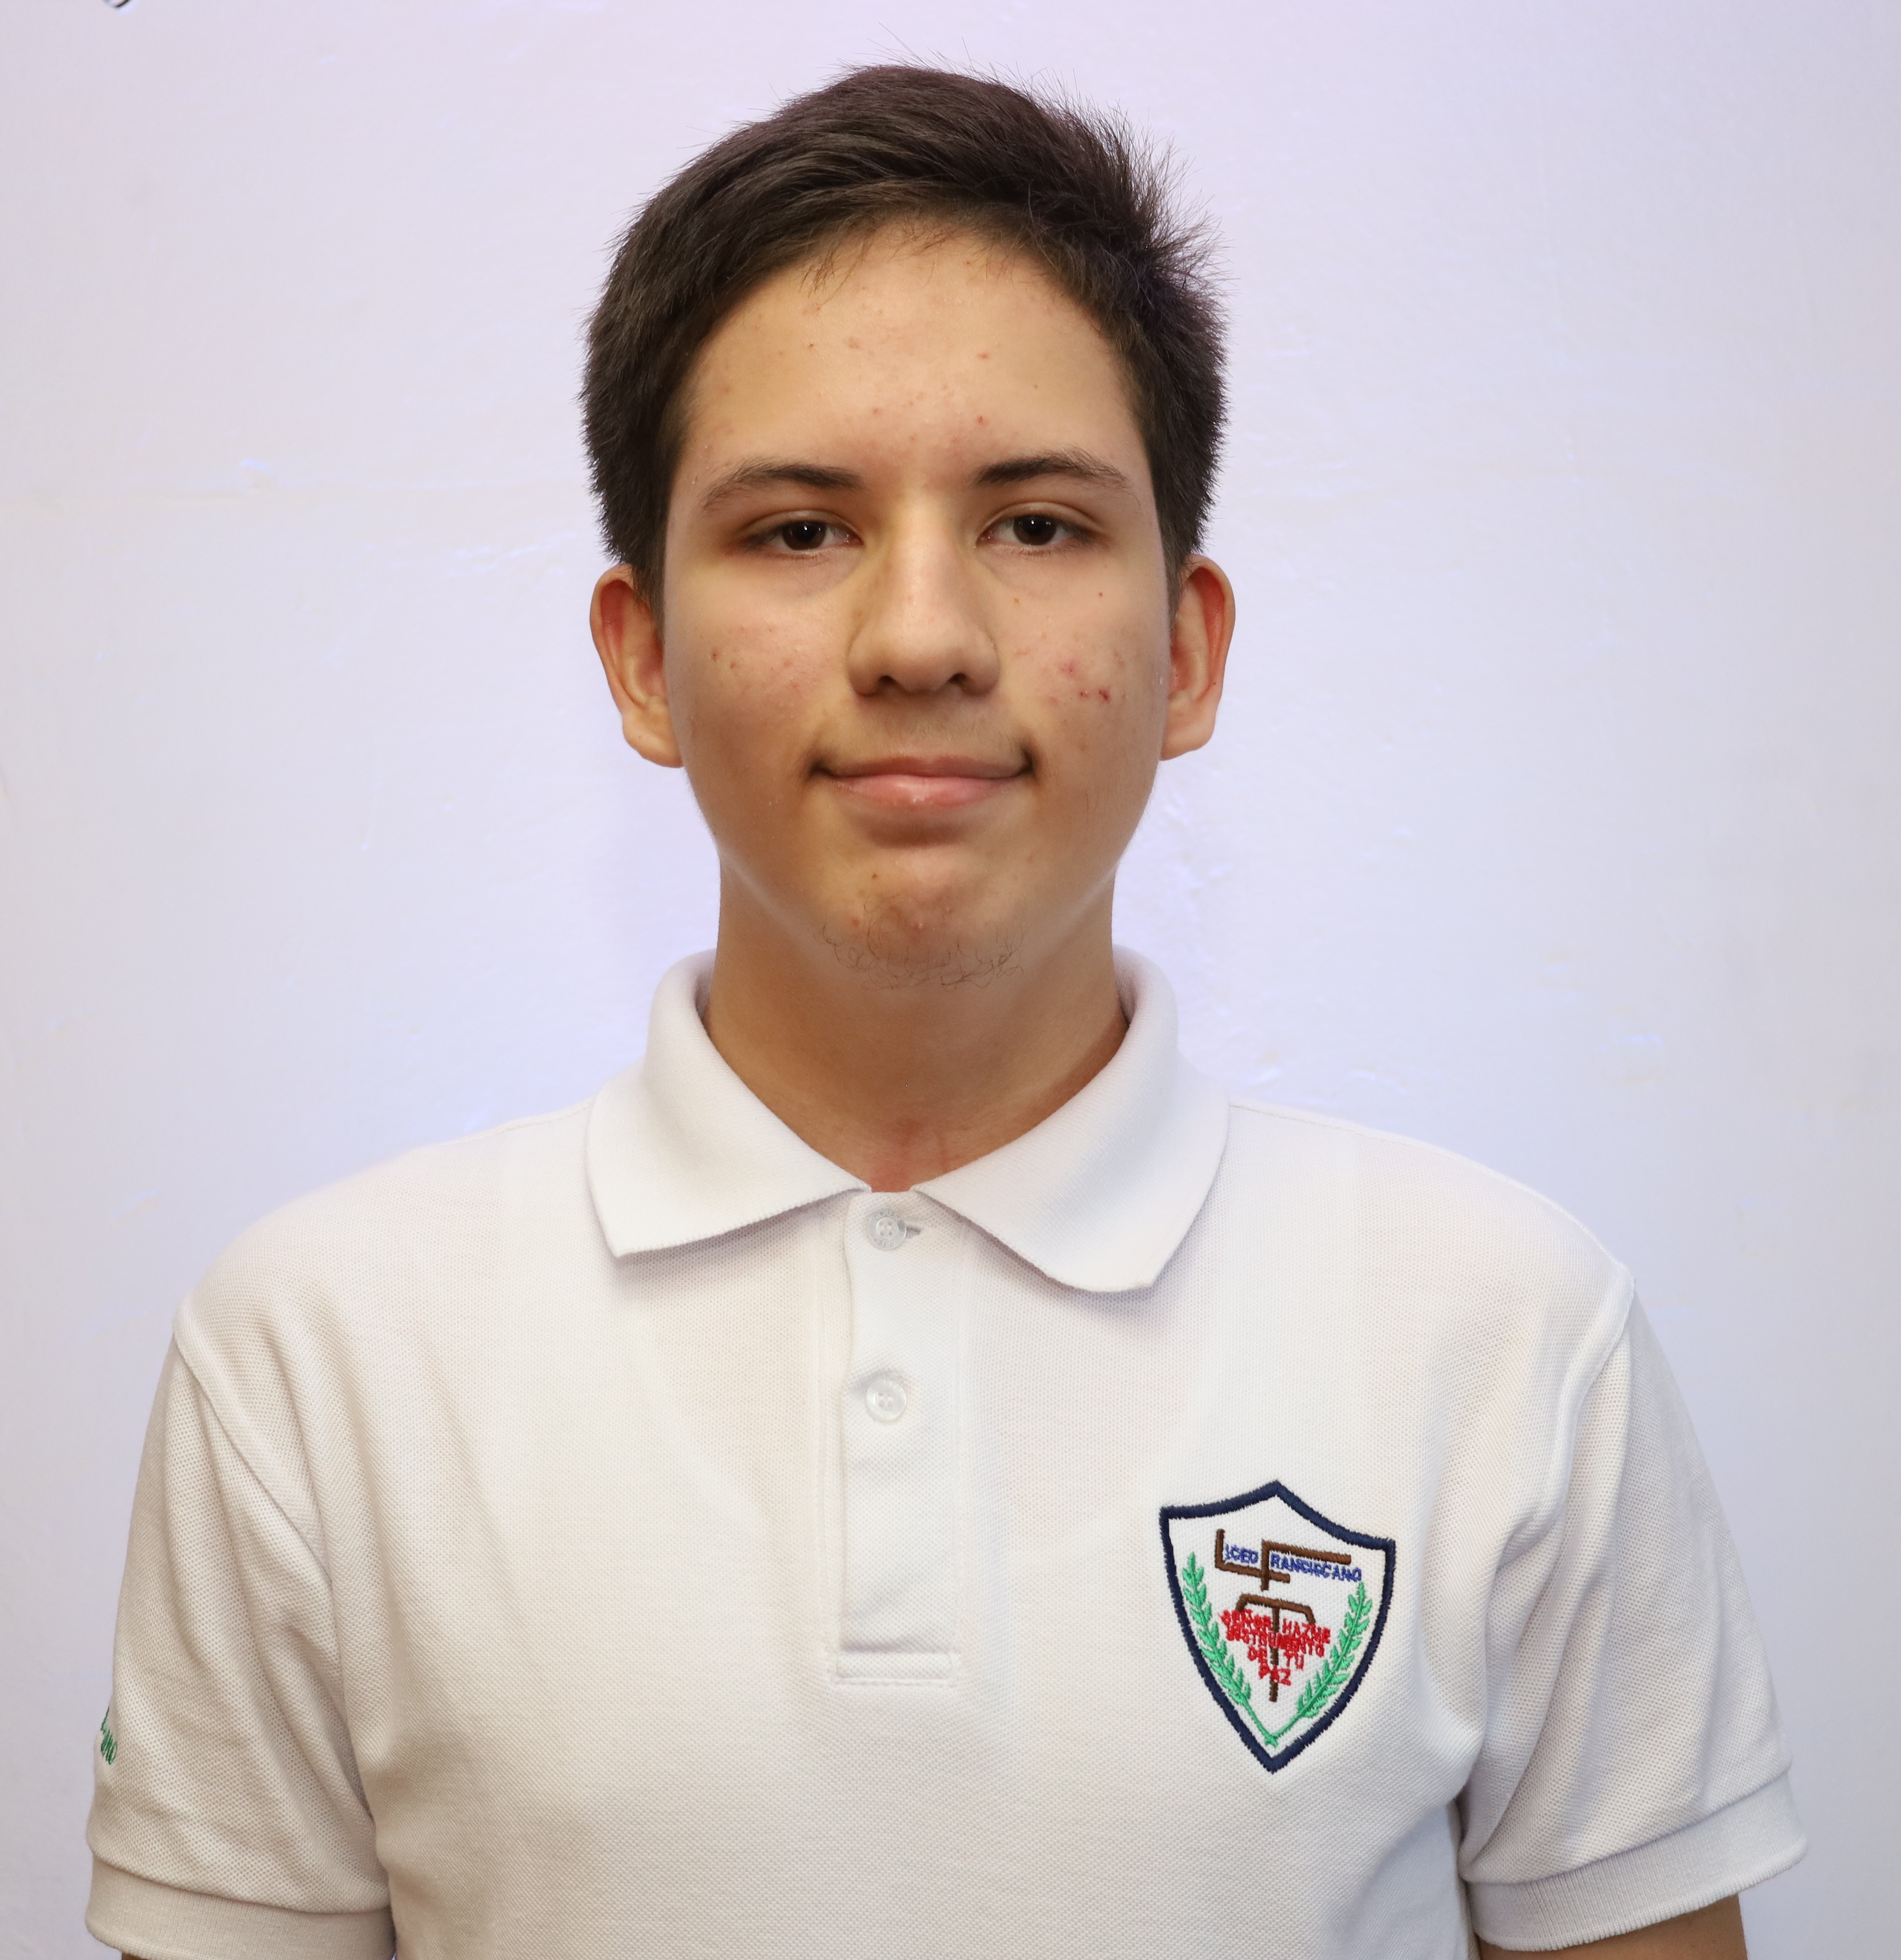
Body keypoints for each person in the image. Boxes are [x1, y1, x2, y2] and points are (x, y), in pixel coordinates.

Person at [87, 65, 1802, 1960]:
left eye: (1038, 525)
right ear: (642, 659)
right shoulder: (317, 1353)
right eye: (798, 531)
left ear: (1186, 651)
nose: (920, 638)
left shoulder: (1505, 1333)